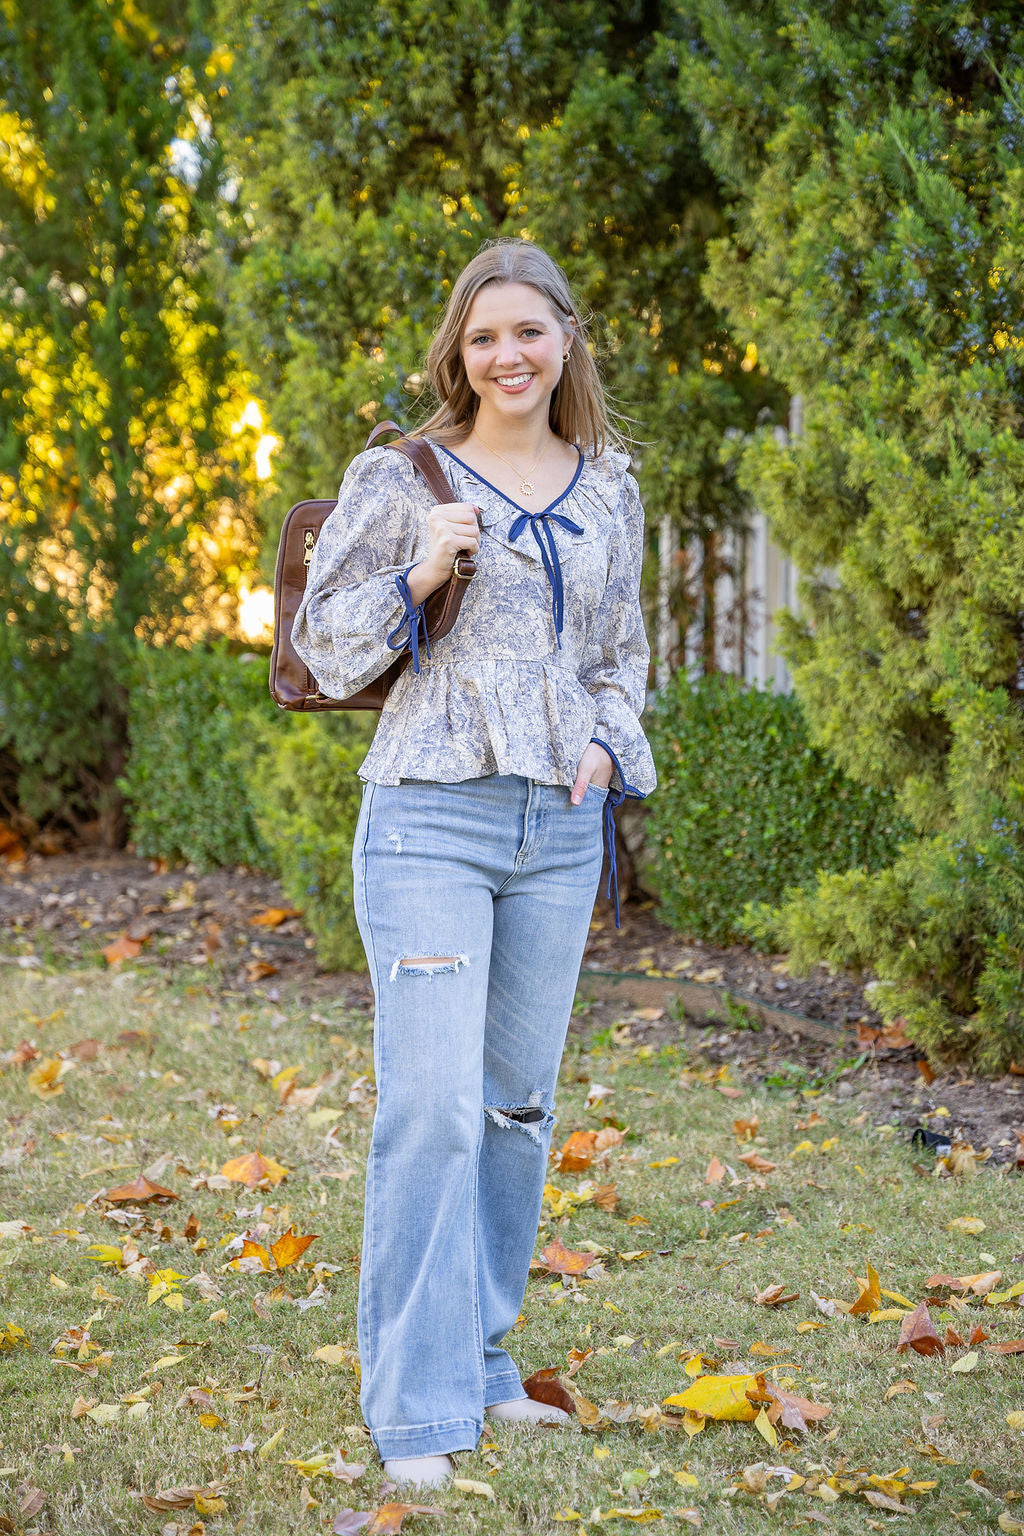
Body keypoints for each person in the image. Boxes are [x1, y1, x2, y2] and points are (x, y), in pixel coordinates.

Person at [291, 238, 657, 1488]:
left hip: (556, 831)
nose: (507, 355)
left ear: (566, 341)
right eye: (483, 336)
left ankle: (487, 1366)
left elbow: (622, 650)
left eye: (529, 332)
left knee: (512, 1112)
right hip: (429, 823)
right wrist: (419, 566)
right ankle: (416, 1410)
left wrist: (610, 746)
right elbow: (324, 649)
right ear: (459, 350)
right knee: (432, 1112)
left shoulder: (609, 485)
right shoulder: (403, 476)